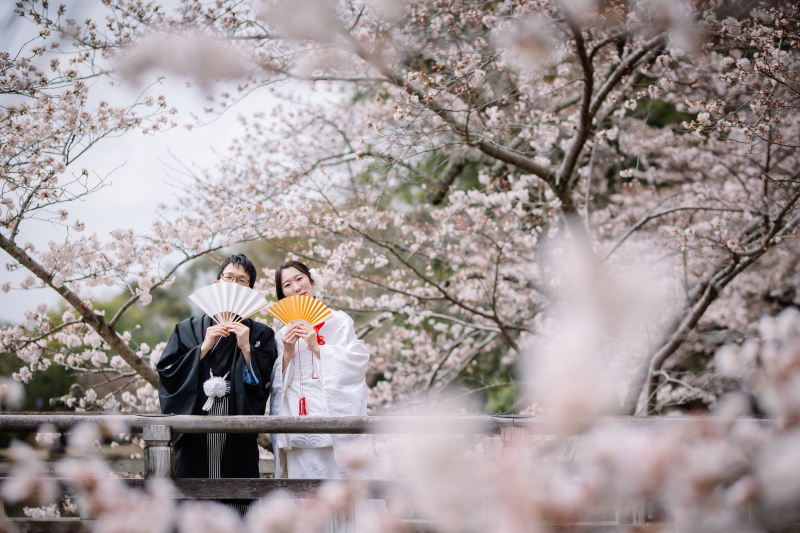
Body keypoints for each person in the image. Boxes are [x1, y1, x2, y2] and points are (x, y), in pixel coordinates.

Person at [157, 254, 278, 480]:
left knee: (237, 494)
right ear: (216, 283)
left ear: (250, 291)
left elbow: (266, 383)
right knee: (193, 493)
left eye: (242, 281)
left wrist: (247, 349)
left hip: (237, 427)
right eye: (228, 277)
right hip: (195, 426)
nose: (233, 284)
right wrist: (202, 348)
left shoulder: (261, 334)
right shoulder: (186, 329)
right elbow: (168, 374)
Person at [269, 260, 373, 478]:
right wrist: (287, 352)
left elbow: (358, 361)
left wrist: (319, 348)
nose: (296, 287)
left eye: (299, 279)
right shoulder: (282, 334)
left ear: (311, 280)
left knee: (340, 490)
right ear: (282, 294)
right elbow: (277, 386)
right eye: (287, 285)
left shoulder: (339, 321)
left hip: (333, 422)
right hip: (299, 425)